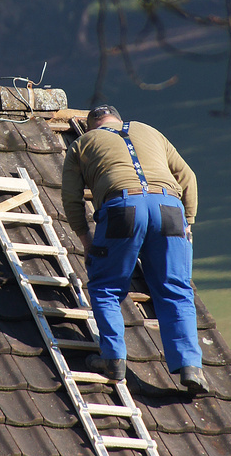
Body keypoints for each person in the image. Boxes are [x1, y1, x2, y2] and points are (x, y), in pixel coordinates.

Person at [61, 104, 210, 395]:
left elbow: (72, 199)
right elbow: (188, 177)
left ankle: (113, 358)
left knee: (105, 286)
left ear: (91, 125)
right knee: (176, 289)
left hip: (123, 209)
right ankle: (191, 367)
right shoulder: (149, 130)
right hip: (169, 208)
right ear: (117, 118)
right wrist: (188, 222)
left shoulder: (82, 143)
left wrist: (86, 239)